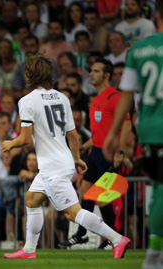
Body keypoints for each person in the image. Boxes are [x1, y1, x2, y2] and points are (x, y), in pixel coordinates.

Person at [1, 53, 130, 259]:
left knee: (73, 213)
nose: (25, 75)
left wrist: (11, 143)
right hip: (61, 161)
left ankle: (117, 239)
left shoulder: (27, 101)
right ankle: (29, 250)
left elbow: (25, 139)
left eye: (27, 71)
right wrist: (77, 158)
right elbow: (73, 134)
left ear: (32, 74)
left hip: (53, 166)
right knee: (32, 199)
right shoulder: (62, 97)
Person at [104, 2, 163, 266]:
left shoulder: (139, 49)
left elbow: (127, 94)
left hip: (151, 130)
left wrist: (113, 133)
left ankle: (154, 252)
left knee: (160, 189)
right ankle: (155, 252)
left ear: (156, 15)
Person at [59, 59, 131, 249]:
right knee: (85, 192)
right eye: (91, 70)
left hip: (109, 154)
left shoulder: (114, 97)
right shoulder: (97, 99)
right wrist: (85, 146)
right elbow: (101, 133)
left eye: (96, 71)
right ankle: (82, 234)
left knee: (101, 198)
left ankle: (113, 238)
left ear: (106, 76)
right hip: (96, 152)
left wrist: (120, 151)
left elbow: (127, 124)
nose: (91, 73)